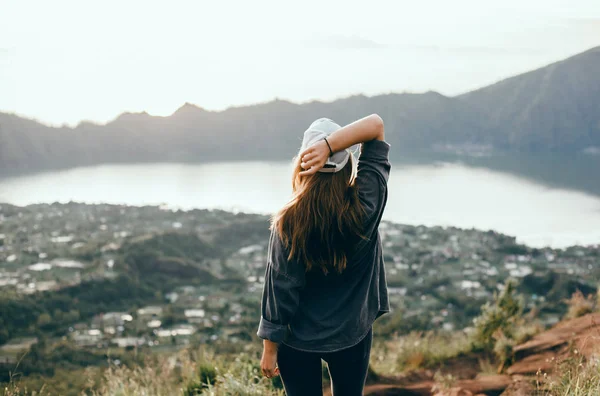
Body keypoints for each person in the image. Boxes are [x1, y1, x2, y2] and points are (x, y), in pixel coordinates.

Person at [257, 114, 391, 396]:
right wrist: (330, 147)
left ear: (303, 165)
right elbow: (375, 125)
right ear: (348, 166)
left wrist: (270, 349)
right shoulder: (365, 208)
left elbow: (280, 286)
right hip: (352, 332)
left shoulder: (289, 222)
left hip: (297, 340)